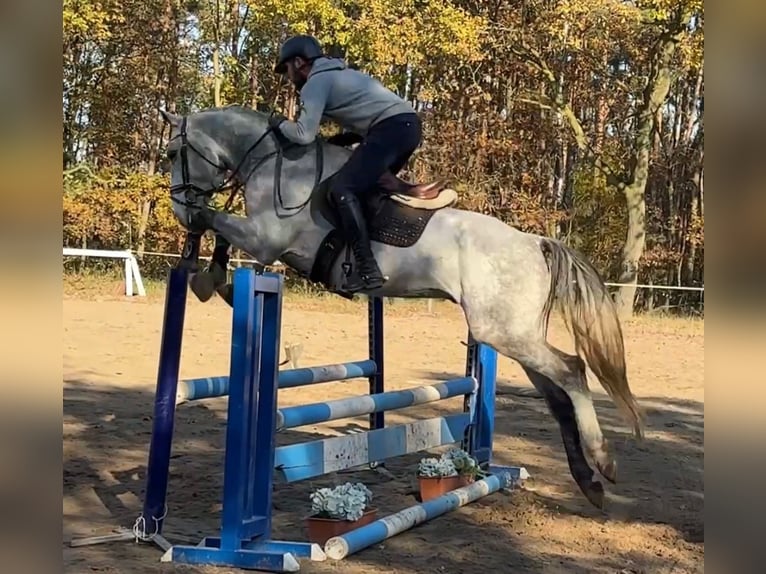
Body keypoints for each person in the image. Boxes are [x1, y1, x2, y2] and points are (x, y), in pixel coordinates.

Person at [269, 34, 424, 293]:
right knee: (365, 191)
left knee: (341, 190)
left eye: (286, 69)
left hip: (391, 129)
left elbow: (303, 135)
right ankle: (376, 258)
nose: (287, 77)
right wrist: (339, 139)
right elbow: (367, 116)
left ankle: (368, 270)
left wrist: (277, 123)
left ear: (298, 62)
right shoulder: (340, 73)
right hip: (405, 126)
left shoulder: (316, 82)